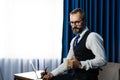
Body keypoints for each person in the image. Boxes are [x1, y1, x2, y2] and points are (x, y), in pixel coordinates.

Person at [41, 8, 106, 80]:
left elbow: (102, 60)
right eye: (72, 22)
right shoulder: (74, 40)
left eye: (77, 22)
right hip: (75, 76)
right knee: (51, 79)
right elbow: (67, 63)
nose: (74, 25)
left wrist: (80, 64)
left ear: (84, 21)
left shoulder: (92, 37)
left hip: (88, 78)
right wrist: (52, 74)